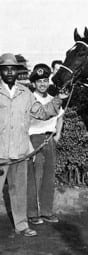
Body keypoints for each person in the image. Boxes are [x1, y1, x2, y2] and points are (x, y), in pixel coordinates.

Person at [0, 53, 65, 237]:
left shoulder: (25, 93)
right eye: (6, 69)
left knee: (19, 190)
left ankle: (21, 225)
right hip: (1, 152)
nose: (10, 72)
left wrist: (58, 99)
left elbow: (43, 113)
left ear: (17, 72)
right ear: (1, 72)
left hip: (21, 150)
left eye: (13, 69)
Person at [27, 64, 64, 225]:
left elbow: (61, 116)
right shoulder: (29, 99)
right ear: (33, 83)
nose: (42, 84)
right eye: (39, 81)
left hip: (49, 140)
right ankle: (32, 213)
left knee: (49, 177)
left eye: (44, 80)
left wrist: (58, 134)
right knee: (34, 177)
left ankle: (46, 212)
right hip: (34, 140)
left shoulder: (52, 99)